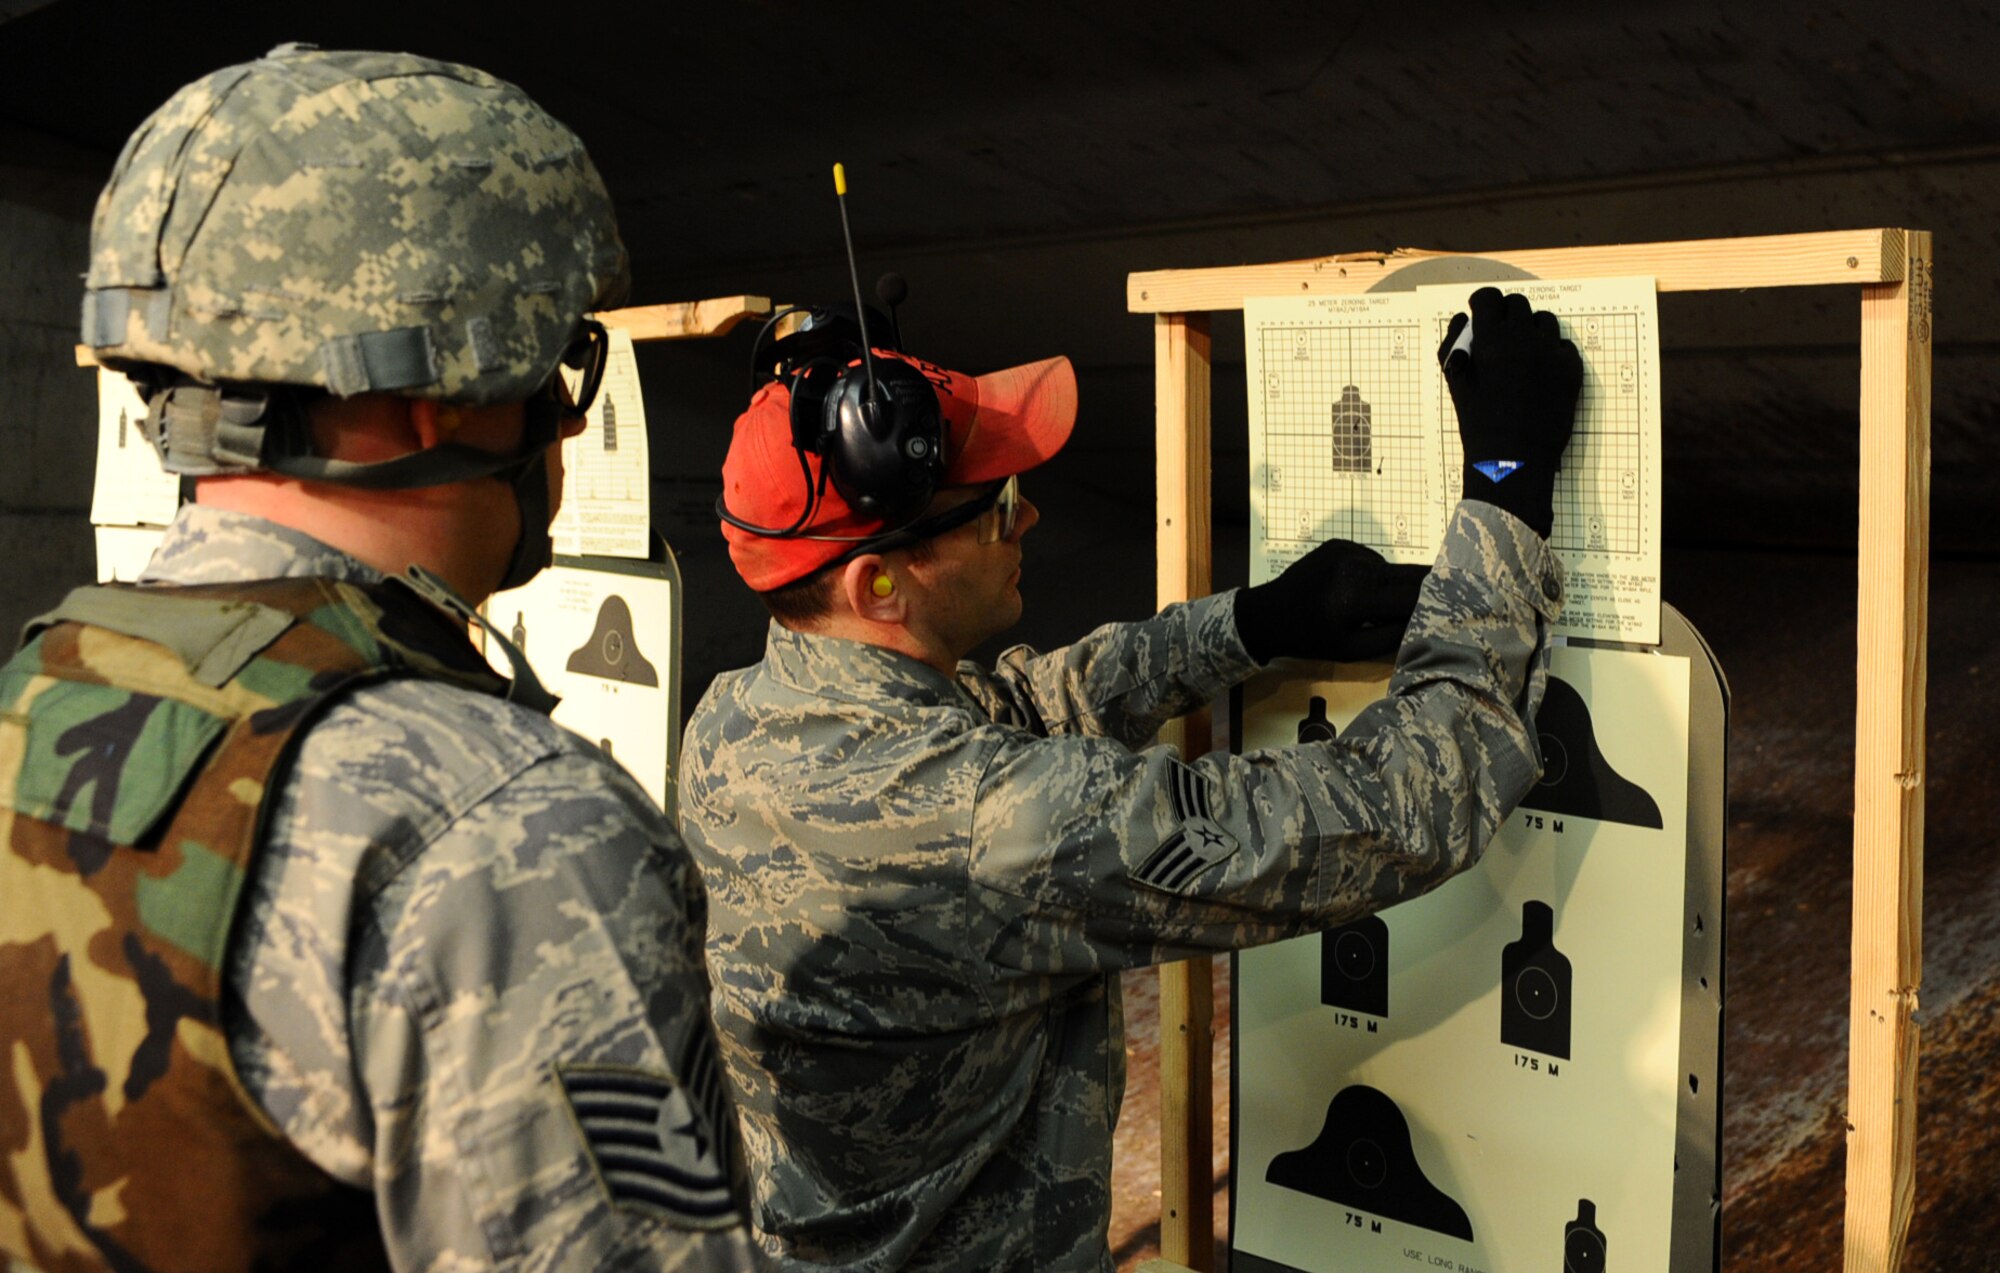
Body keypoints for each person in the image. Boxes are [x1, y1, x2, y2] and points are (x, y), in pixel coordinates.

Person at [0, 46, 760, 1271]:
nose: (564, 422)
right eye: (555, 367)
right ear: (450, 399)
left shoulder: (34, 695)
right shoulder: (504, 828)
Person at [677, 287, 1580, 1270]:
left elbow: (1007, 711)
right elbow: (1401, 802)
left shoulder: (735, 721)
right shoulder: (990, 822)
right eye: (998, 506)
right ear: (878, 583)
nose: (1029, 516)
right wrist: (1503, 485)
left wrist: (1247, 626)